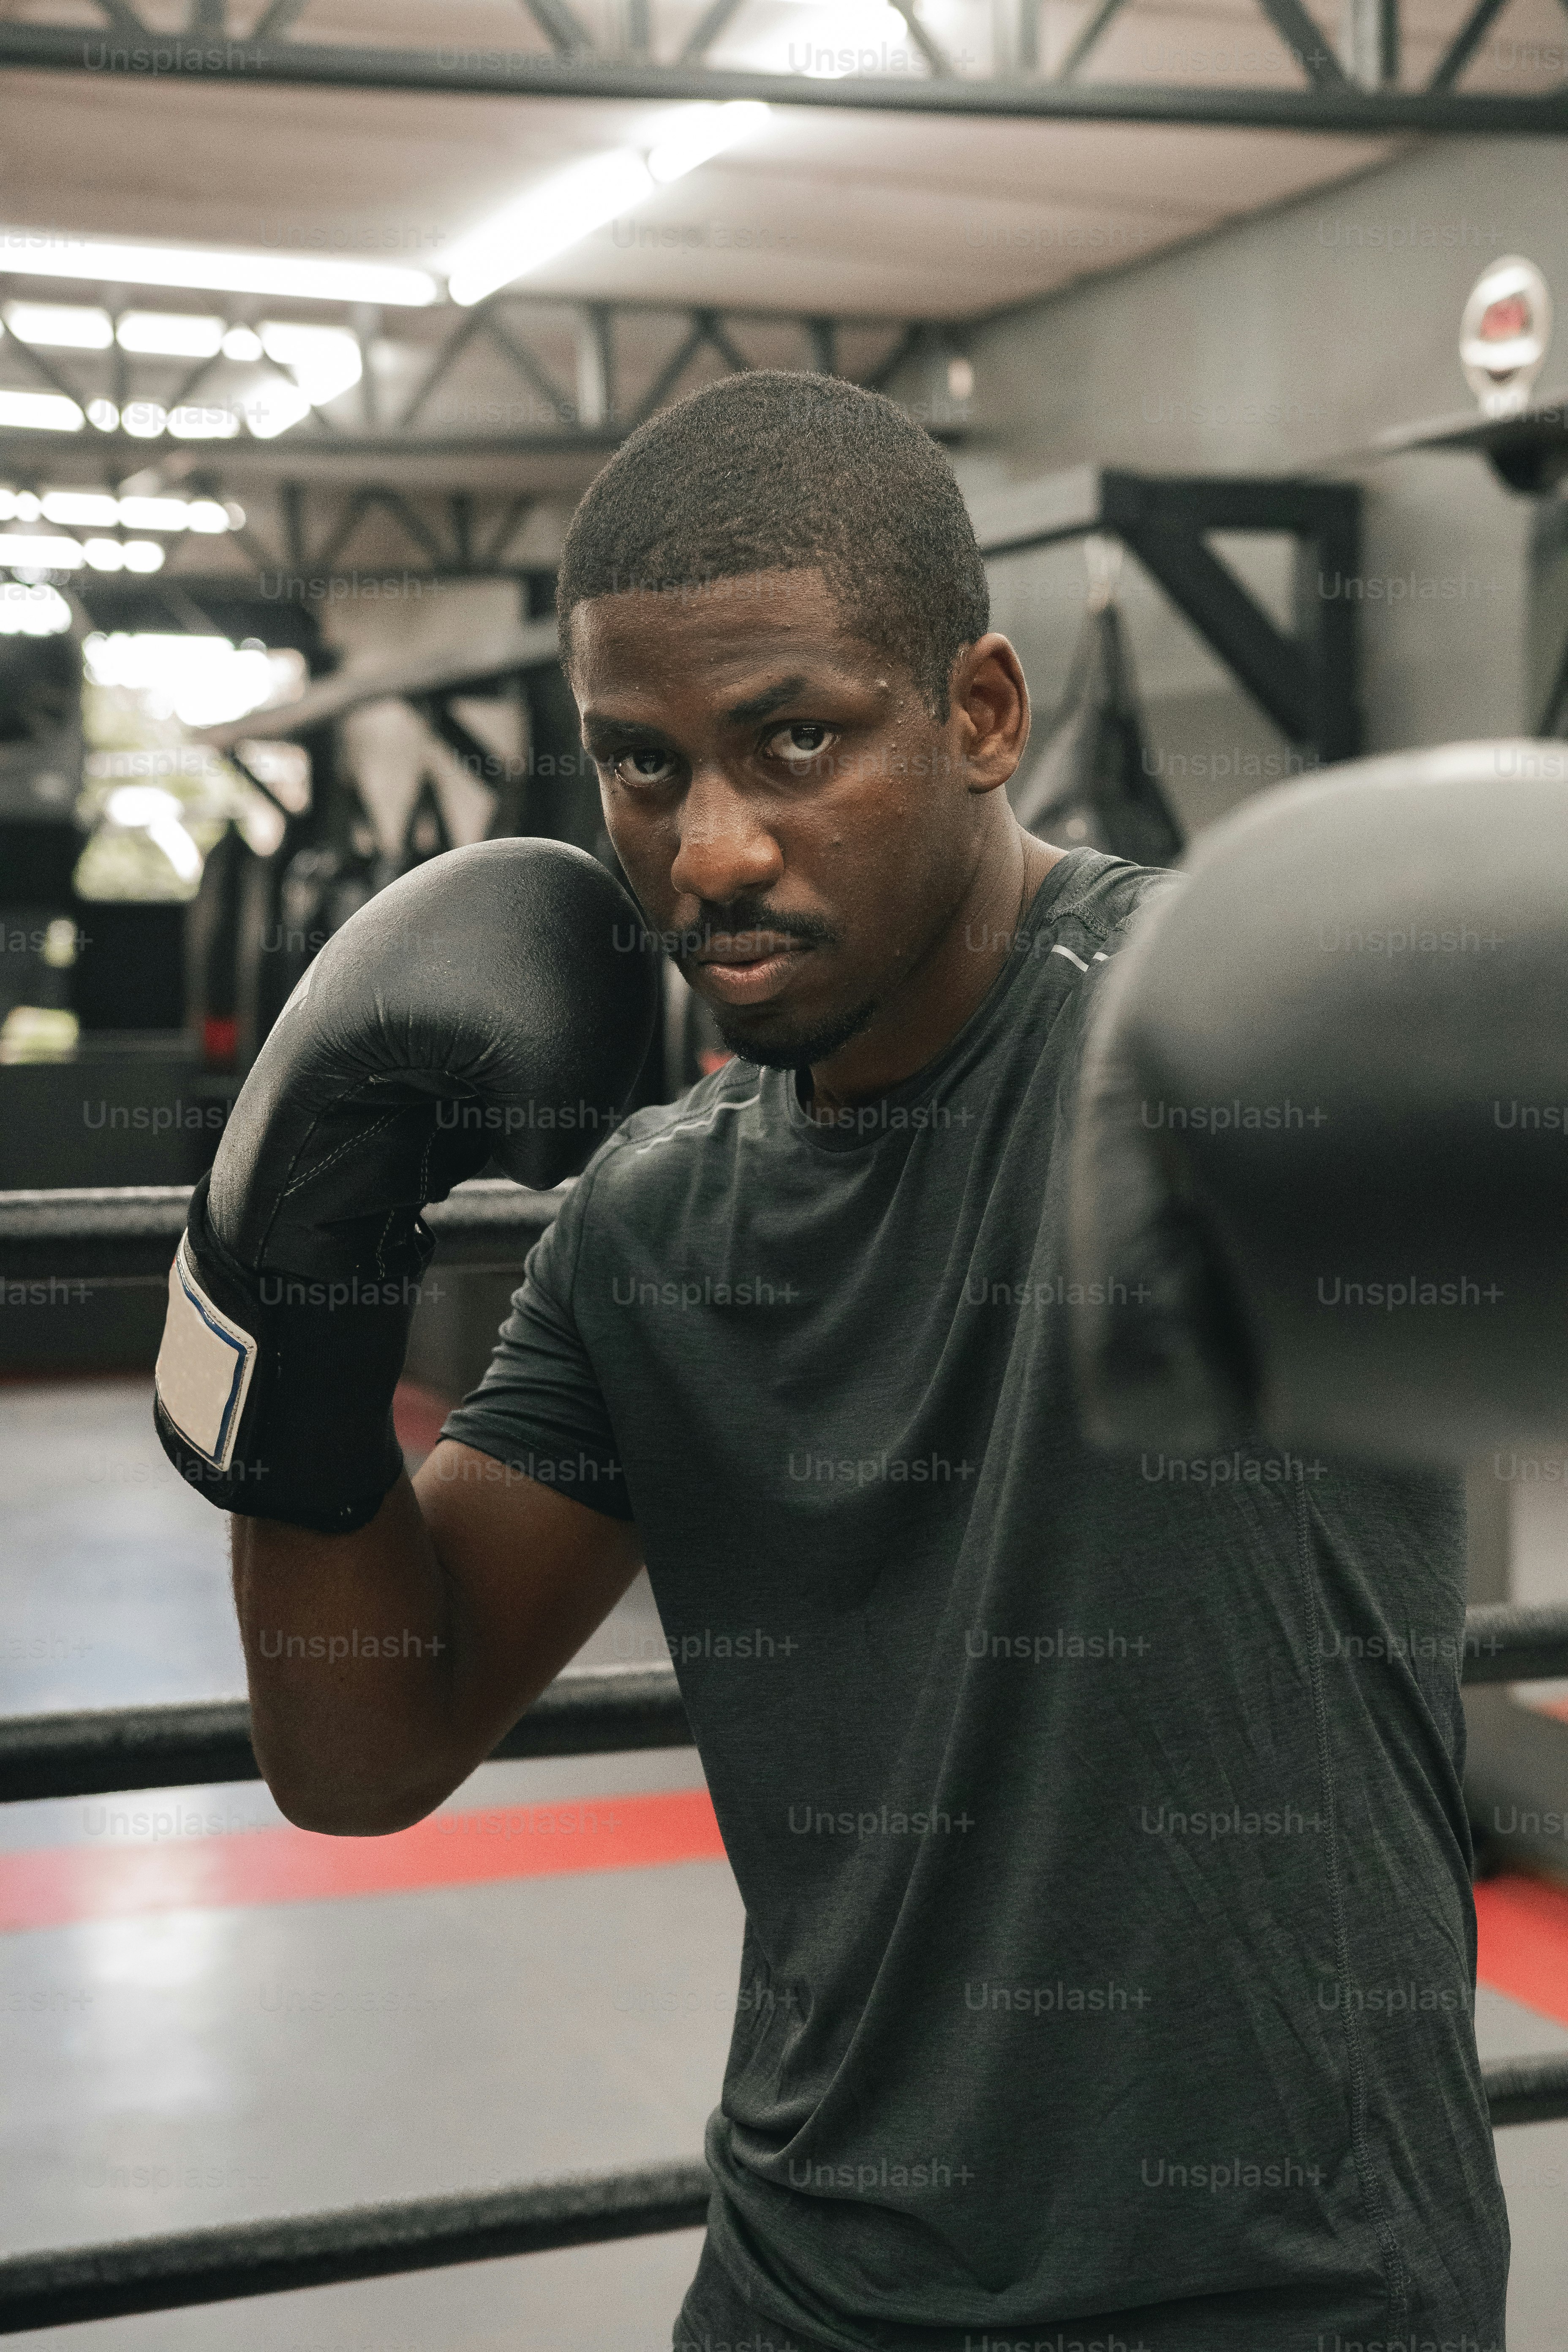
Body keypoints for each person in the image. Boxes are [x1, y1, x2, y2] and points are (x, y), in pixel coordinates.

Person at [194, 373, 1508, 2352]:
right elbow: (364, 1750)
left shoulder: (1215, 1048)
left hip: (1276, 2296)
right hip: (805, 2283)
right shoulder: (647, 1226)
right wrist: (289, 1321)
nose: (708, 848)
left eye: (793, 742)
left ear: (982, 714)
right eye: (641, 769)